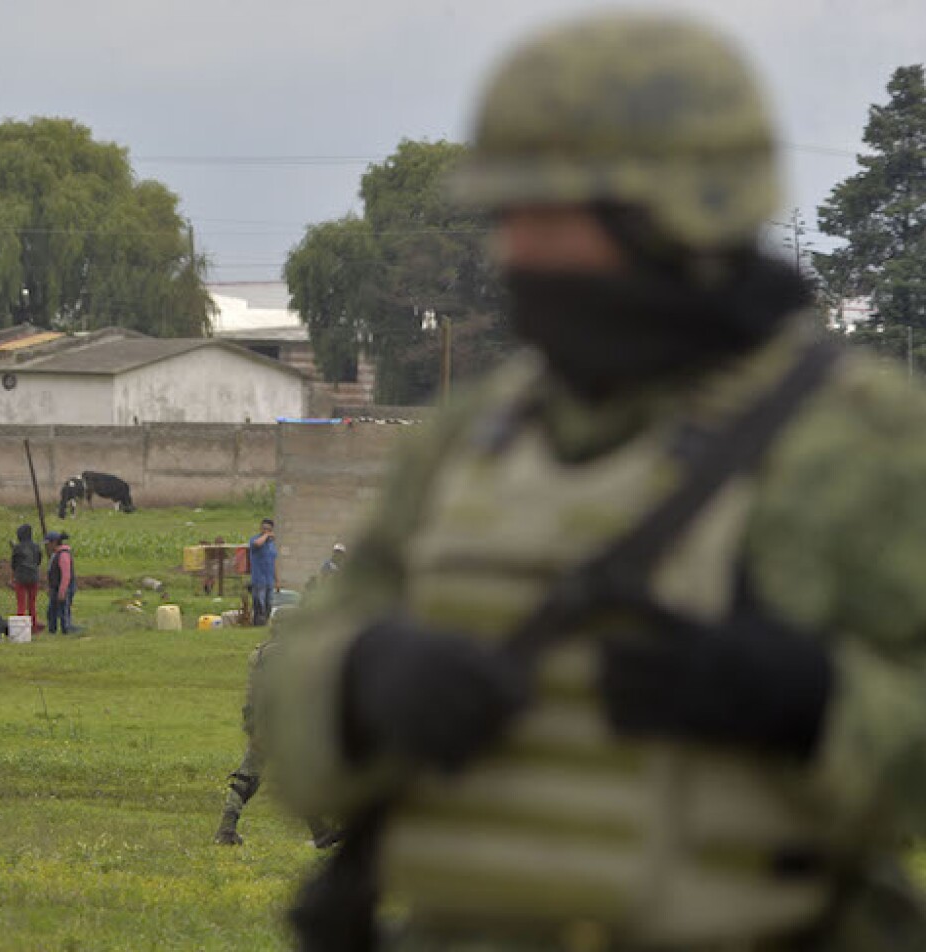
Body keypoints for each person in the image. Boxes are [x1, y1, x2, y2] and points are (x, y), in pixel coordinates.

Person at [265, 12, 926, 951]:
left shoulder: (863, 447)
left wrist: (814, 705)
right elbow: (294, 685)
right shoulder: (468, 444)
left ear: (683, 210)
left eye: (554, 215)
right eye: (508, 216)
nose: (517, 252)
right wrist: (359, 683)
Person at [215, 636, 338, 850]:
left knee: (247, 777)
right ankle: (321, 832)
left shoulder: (261, 654)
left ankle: (226, 829)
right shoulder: (282, 655)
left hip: (262, 725)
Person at [44, 530, 79, 634]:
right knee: (51, 611)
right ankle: (52, 629)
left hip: (64, 588)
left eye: (48, 543)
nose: (47, 546)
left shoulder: (63, 555)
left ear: (54, 542)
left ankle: (66, 629)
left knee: (64, 610)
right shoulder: (55, 554)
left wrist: (62, 591)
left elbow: (66, 575)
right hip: (55, 587)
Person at [11, 524, 42, 632]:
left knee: (21, 604)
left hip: (21, 577)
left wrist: (15, 572)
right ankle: (34, 625)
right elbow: (38, 561)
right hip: (33, 577)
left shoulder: (17, 548)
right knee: (32, 603)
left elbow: (14, 563)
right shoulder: (36, 546)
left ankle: (21, 628)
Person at [247, 519, 278, 626]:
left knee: (269, 604)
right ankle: (258, 623)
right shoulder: (255, 540)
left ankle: (265, 623)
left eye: (268, 529)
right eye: (264, 529)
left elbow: (274, 562)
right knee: (259, 604)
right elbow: (257, 544)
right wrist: (266, 535)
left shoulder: (271, 545)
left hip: (269, 579)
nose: (266, 531)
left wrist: (277, 580)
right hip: (259, 579)